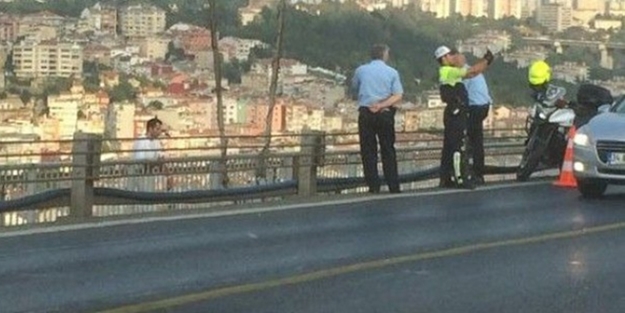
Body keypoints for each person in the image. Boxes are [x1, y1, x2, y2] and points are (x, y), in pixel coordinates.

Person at [434, 45, 494, 189]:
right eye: (450, 55)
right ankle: (461, 178)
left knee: (450, 145)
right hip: (457, 113)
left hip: (455, 112)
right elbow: (472, 72)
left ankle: (446, 177)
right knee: (458, 146)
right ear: (444, 58)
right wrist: (487, 60)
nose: (453, 57)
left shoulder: (448, 71)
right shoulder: (449, 71)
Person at [351, 44, 403, 194]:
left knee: (368, 150)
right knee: (388, 149)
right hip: (385, 113)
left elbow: (354, 86)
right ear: (385, 55)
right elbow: (398, 95)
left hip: (366, 112)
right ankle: (393, 185)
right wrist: (381, 105)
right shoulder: (392, 72)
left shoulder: (360, 70)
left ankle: (373, 186)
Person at [463, 60, 493, 185]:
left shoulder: (463, 73)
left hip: (475, 107)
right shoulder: (472, 69)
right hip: (484, 106)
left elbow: (461, 93)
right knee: (476, 140)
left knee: (473, 141)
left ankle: (475, 172)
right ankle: (477, 171)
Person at [130, 117, 169, 210]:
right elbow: (141, 161)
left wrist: (168, 175)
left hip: (149, 176)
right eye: (157, 129)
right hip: (139, 175)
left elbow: (161, 158)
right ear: (150, 129)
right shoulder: (141, 141)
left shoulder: (156, 142)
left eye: (160, 129)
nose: (159, 132)